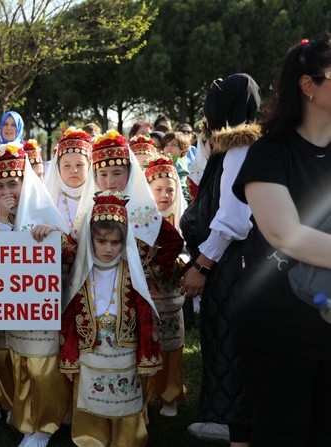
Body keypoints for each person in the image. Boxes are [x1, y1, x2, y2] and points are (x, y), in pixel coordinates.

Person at [231, 36, 331, 446]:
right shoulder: (269, 153)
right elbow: (284, 234)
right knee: (283, 433)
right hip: (279, 322)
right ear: (309, 85)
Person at [179, 73, 261, 446]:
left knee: (233, 349)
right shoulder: (230, 148)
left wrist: (201, 265)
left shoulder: (240, 148)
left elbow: (234, 219)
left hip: (233, 266)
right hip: (230, 265)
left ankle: (239, 435)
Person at [0, 142, 72, 447]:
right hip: (16, 314)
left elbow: (68, 252)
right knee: (22, 365)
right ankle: (28, 418)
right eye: (0, 185)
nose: (7, 191)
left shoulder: (45, 211)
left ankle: (45, 426)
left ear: (26, 182)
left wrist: (52, 236)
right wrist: (3, 221)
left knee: (43, 367)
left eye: (13, 184)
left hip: (44, 312)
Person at [60, 192, 162, 447]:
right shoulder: (81, 273)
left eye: (115, 242)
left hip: (124, 356)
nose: (107, 249)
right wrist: (70, 356)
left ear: (124, 242)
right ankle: (91, 441)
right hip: (90, 355)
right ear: (90, 239)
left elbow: (144, 318)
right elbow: (71, 317)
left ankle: (127, 441)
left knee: (125, 405)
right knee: (90, 402)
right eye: (101, 241)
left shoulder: (131, 274)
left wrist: (145, 357)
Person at [143, 155, 187, 418]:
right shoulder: (142, 221)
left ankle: (171, 395)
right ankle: (147, 394)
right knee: (149, 346)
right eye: (158, 189)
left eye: (170, 189)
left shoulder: (183, 218)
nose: (165, 194)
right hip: (149, 296)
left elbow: (191, 248)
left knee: (173, 347)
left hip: (173, 297)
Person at [161, 131, 192, 202]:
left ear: (183, 148)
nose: (169, 147)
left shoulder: (178, 161)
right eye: (166, 145)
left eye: (173, 145)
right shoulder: (165, 160)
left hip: (179, 193)